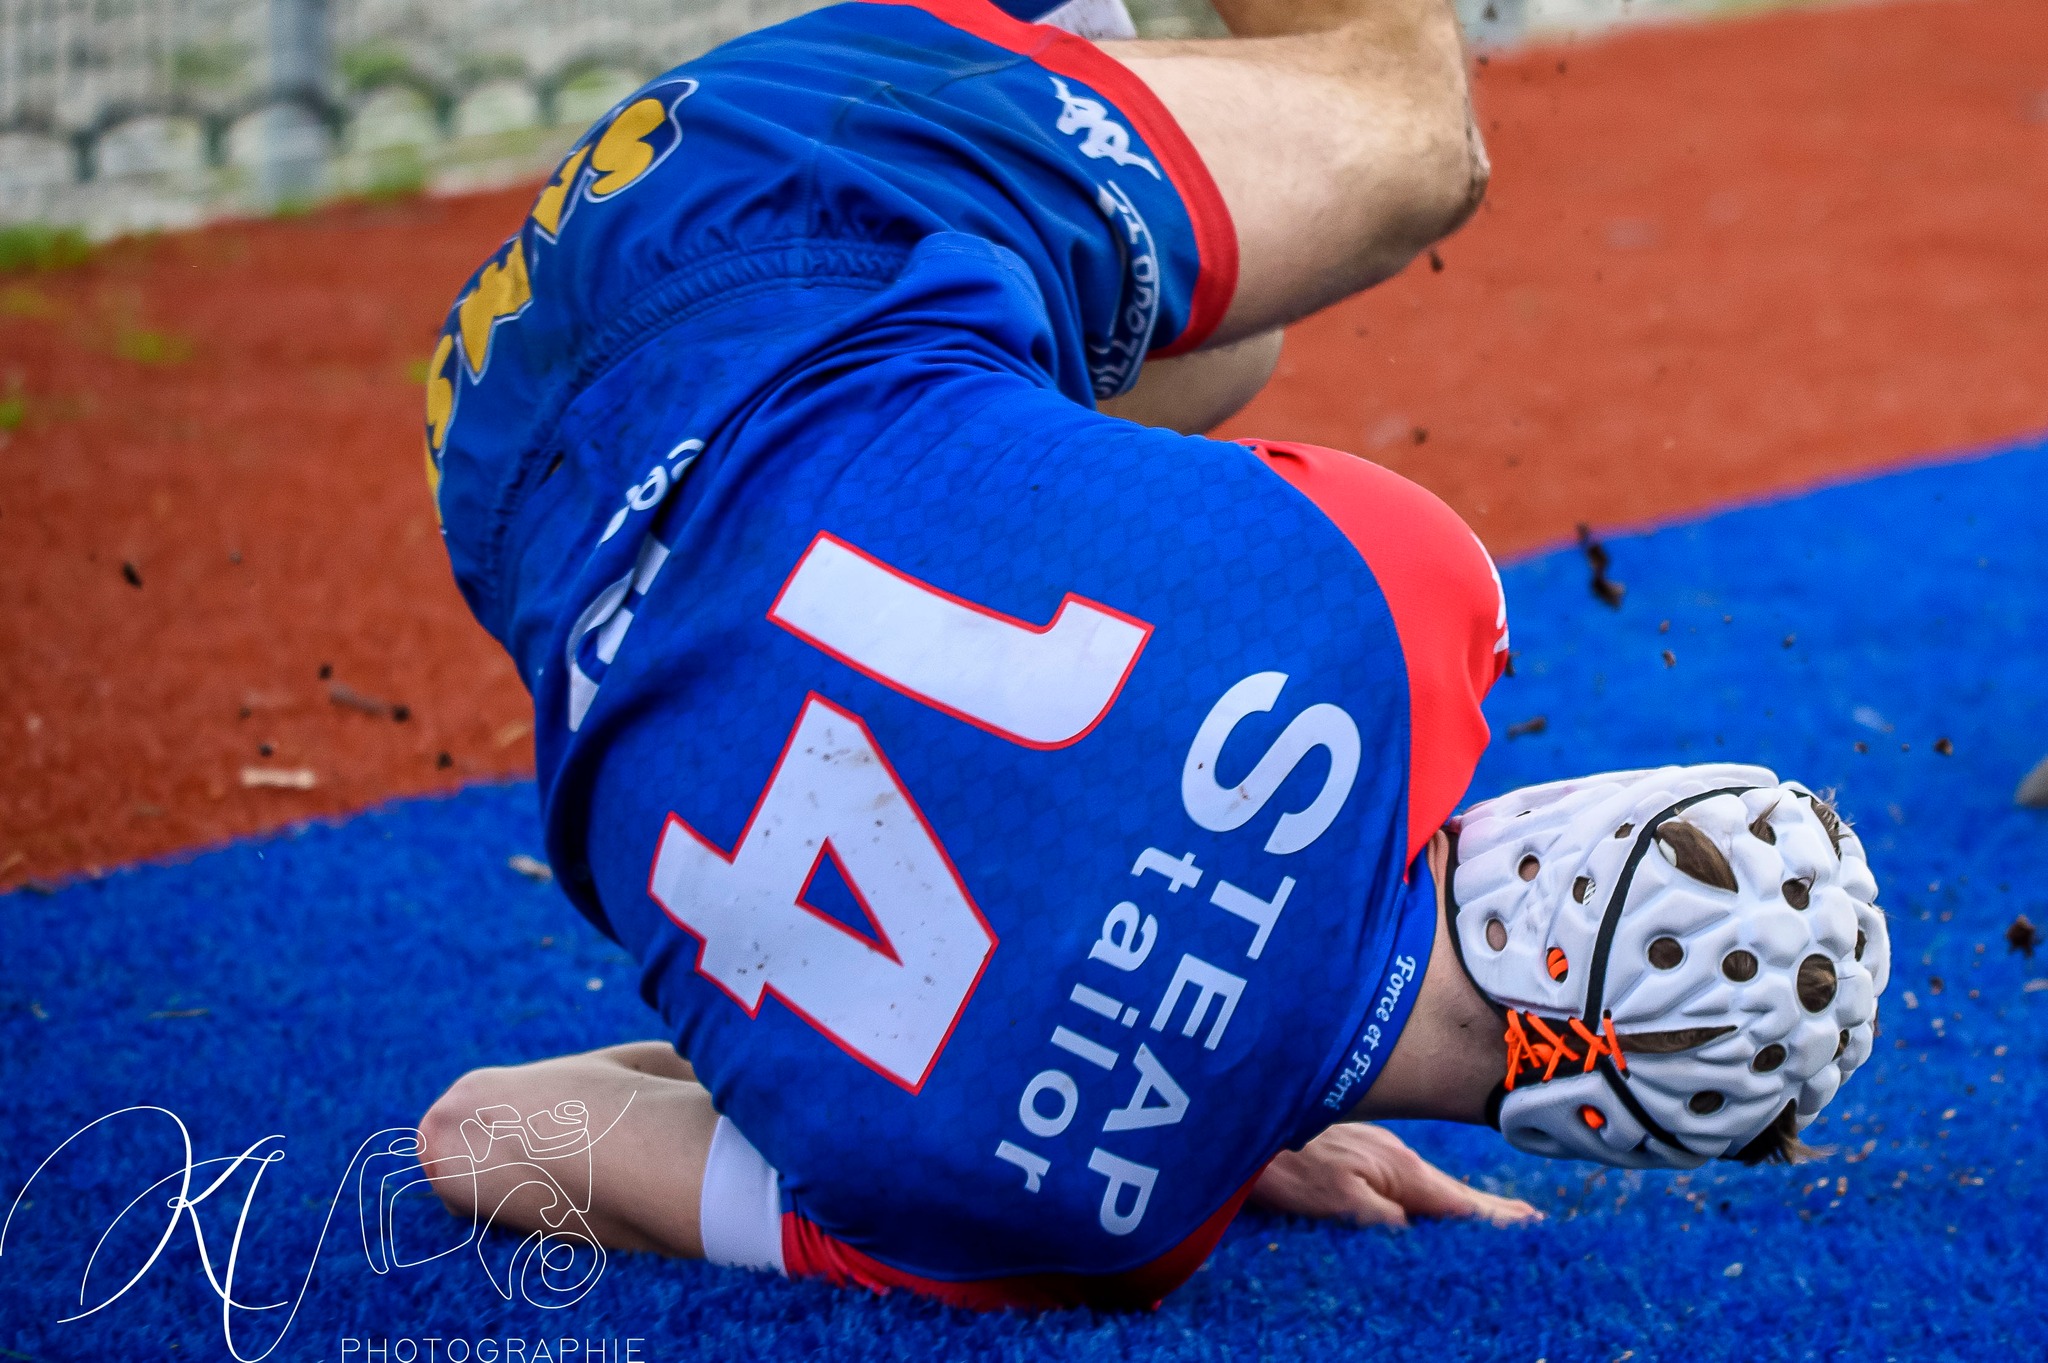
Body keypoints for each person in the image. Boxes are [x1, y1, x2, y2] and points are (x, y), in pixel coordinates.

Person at [413, 0, 1890, 1309]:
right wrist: (1221, 1121)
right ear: (1587, 1118)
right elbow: (477, 1132)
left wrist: (1260, 1050)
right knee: (1206, 338)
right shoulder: (1069, 1240)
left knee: (1401, 148)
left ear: (1567, 851)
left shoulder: (1411, 607)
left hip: (746, 205)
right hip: (498, 497)